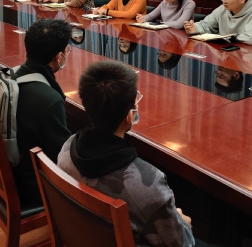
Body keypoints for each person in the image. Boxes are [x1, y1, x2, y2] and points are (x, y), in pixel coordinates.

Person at [57, 61, 195, 247]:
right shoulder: (150, 183)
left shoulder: (67, 147)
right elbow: (181, 243)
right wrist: (183, 223)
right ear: (130, 116)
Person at [13, 18, 72, 206]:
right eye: (67, 50)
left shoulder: (12, 75)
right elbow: (63, 158)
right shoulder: (49, 100)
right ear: (59, 57)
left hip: (11, 172)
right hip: (34, 186)